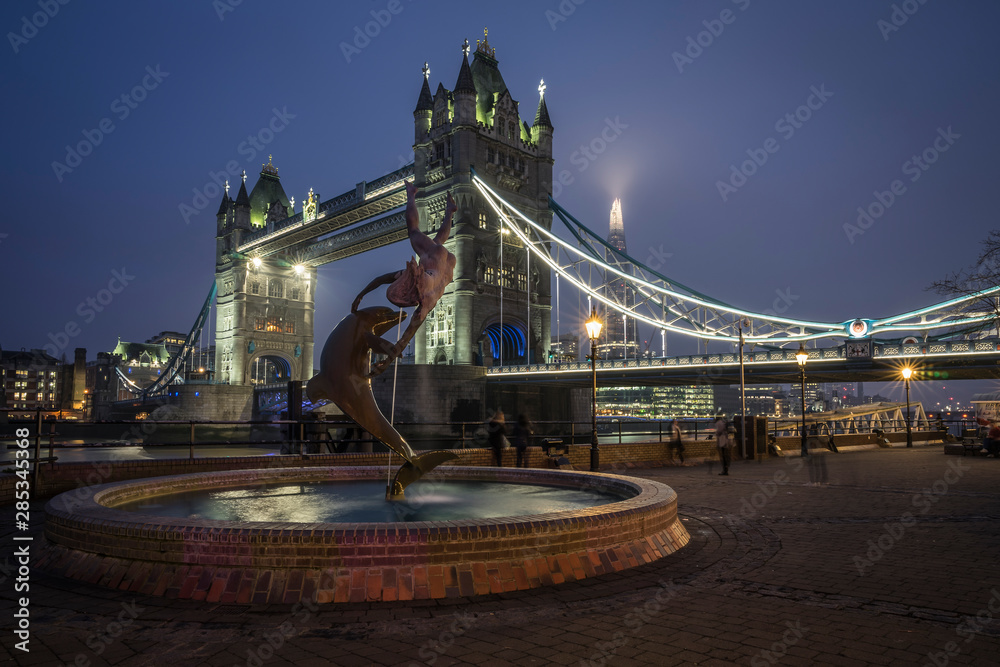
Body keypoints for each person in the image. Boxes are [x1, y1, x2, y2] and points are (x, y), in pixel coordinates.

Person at [353, 181, 458, 377]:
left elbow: (406, 336)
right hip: (442, 265)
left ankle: (415, 195)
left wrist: (361, 294)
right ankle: (442, 208)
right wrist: (361, 294)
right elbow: (405, 337)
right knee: (427, 239)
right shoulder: (424, 290)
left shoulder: (427, 298)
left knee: (420, 233)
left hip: (448, 266)